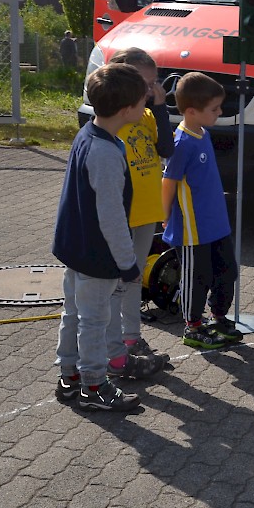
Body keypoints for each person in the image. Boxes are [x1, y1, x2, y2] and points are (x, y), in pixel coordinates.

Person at [52, 62, 155, 412]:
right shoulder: (107, 153)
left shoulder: (88, 134)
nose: (146, 108)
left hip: (75, 247)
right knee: (95, 321)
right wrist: (127, 264)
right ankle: (94, 385)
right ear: (126, 110)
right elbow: (111, 217)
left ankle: (70, 378)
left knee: (74, 314)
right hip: (97, 254)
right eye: (143, 103)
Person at [161, 72, 243, 349]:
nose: (219, 113)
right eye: (215, 109)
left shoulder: (203, 133)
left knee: (227, 272)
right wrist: (164, 215)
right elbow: (168, 182)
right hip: (193, 229)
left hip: (217, 224)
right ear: (192, 111)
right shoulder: (181, 144)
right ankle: (193, 326)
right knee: (198, 277)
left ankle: (218, 318)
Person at [108, 47, 173, 372]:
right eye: (144, 84)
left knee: (134, 280)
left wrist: (160, 107)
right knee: (117, 283)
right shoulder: (113, 120)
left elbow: (166, 149)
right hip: (124, 217)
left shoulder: (146, 116)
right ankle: (114, 347)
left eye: (154, 82)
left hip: (147, 213)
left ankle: (132, 339)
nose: (151, 90)